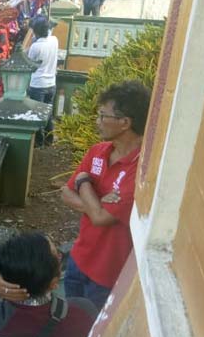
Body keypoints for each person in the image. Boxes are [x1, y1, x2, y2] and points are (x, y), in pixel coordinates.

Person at [60, 81, 150, 309]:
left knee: (91, 333)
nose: (97, 121)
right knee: (71, 321)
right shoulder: (98, 151)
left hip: (107, 276)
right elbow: (65, 193)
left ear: (125, 123)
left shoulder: (140, 170)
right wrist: (98, 203)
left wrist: (83, 181)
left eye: (102, 116)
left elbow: (100, 219)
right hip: (78, 259)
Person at [27, 17, 59, 145]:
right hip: (51, 83)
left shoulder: (35, 47)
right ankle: (49, 139)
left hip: (38, 85)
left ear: (36, 31)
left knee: (37, 114)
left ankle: (39, 142)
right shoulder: (54, 40)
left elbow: (29, 64)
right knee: (48, 113)